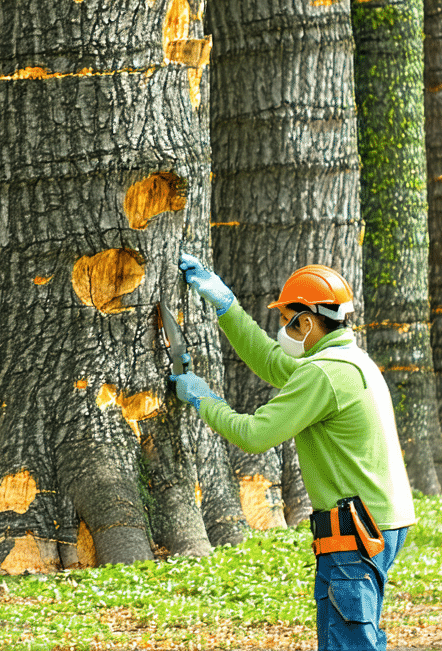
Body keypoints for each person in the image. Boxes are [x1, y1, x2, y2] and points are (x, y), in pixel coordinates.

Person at [172, 253, 416, 651]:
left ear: (307, 321)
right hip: (378, 522)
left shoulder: (323, 373)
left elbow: (254, 434)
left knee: (349, 643)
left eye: (288, 320)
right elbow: (272, 362)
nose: (283, 329)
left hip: (355, 529)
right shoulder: (347, 360)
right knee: (352, 635)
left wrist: (204, 400)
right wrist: (227, 307)